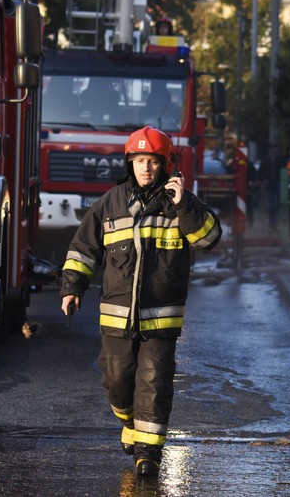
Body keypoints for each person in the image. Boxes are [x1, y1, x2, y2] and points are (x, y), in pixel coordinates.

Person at [59, 126, 222, 477]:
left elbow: (209, 239)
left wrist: (185, 204)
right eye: (139, 161)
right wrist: (72, 287)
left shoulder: (180, 204)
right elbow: (83, 249)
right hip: (116, 318)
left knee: (154, 383)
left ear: (166, 164)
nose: (145, 168)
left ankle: (148, 455)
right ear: (129, 164)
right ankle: (130, 423)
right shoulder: (110, 203)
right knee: (117, 380)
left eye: (152, 161)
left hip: (161, 320)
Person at [258, 143, 284, 231]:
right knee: (271, 203)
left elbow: (283, 169)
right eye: (271, 149)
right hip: (269, 183)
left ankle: (278, 221)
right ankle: (272, 223)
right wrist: (264, 180)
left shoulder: (279, 160)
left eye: (274, 149)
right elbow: (260, 172)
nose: (273, 151)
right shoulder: (265, 160)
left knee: (278, 203)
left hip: (277, 182)